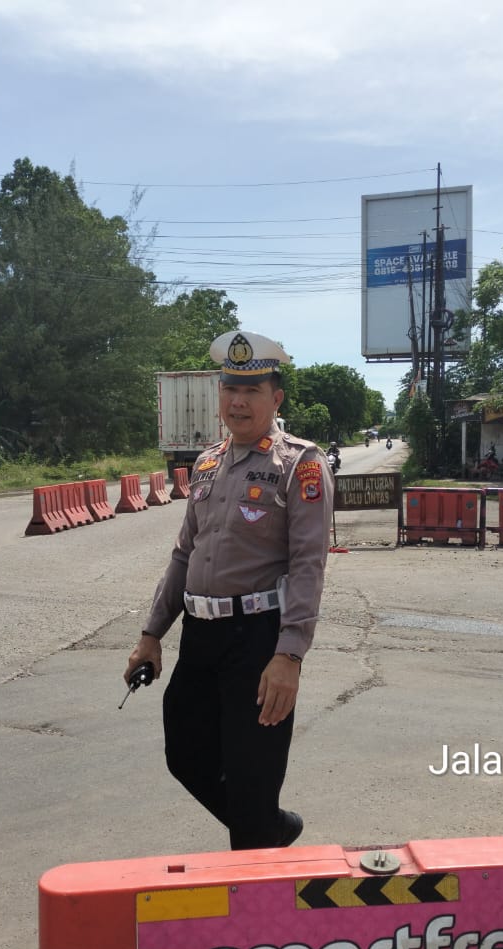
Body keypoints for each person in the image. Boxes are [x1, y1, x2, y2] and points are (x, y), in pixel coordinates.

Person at [125, 330, 334, 850]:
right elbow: (184, 554)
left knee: (250, 777)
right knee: (185, 756)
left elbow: (308, 565)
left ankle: (257, 835)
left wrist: (290, 655)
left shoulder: (300, 464)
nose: (238, 402)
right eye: (230, 389)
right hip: (200, 636)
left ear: (276, 398)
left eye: (252, 390)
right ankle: (268, 827)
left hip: (257, 640)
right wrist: (151, 634)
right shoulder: (207, 463)